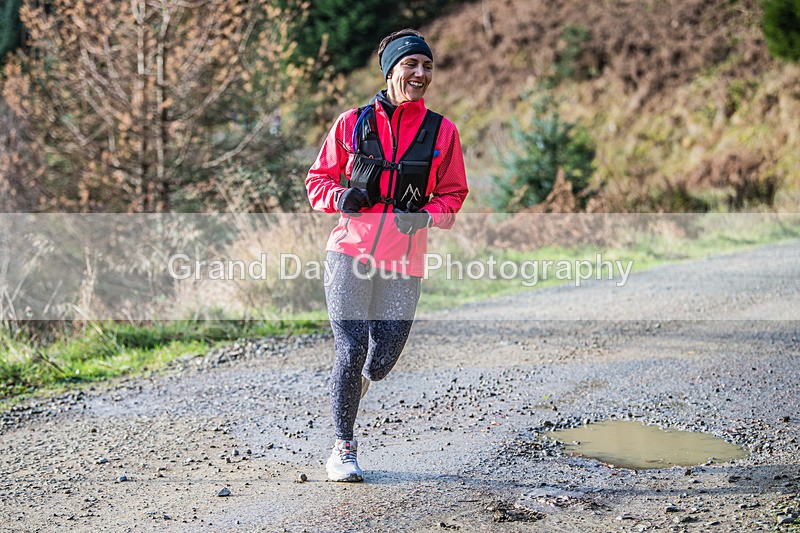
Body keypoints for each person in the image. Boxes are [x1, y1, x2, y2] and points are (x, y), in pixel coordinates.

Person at [306, 28, 469, 482]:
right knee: (351, 348)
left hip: (404, 260)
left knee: (382, 358)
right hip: (349, 254)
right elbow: (316, 182)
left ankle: (355, 384)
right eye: (411, 65)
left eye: (427, 66)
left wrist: (427, 216)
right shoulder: (352, 124)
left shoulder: (443, 132)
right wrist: (342, 198)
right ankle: (343, 448)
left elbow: (453, 195)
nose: (421, 74)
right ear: (391, 70)